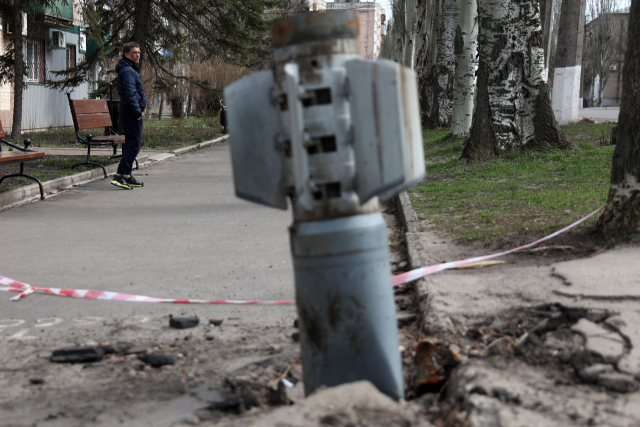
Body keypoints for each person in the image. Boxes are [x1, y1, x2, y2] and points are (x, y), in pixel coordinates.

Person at [111, 42, 147, 190]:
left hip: (130, 111)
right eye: (134, 53)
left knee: (131, 145)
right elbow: (130, 93)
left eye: (138, 52)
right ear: (126, 55)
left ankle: (127, 175)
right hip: (131, 112)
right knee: (134, 145)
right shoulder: (127, 71)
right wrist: (137, 111)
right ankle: (119, 175)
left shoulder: (130, 69)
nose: (137, 55)